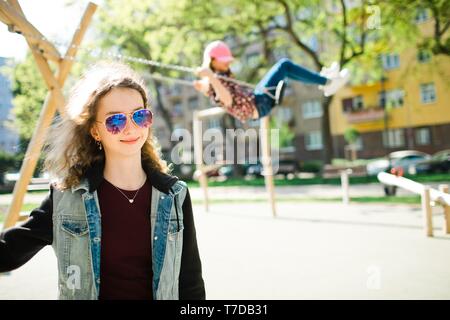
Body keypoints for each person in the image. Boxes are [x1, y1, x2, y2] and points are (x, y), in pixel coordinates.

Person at [0, 61, 205, 300]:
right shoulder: (66, 197)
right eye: (115, 121)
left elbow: (190, 281)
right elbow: (8, 253)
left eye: (139, 116)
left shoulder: (175, 195)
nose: (130, 128)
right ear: (95, 131)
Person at [193, 40, 349, 123]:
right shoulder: (215, 80)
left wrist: (206, 83)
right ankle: (326, 81)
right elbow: (227, 100)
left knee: (285, 68)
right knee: (284, 65)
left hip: (257, 98)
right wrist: (210, 78)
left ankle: (323, 79)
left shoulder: (218, 77)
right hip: (259, 104)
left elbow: (218, 91)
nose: (228, 63)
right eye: (223, 60)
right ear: (212, 60)